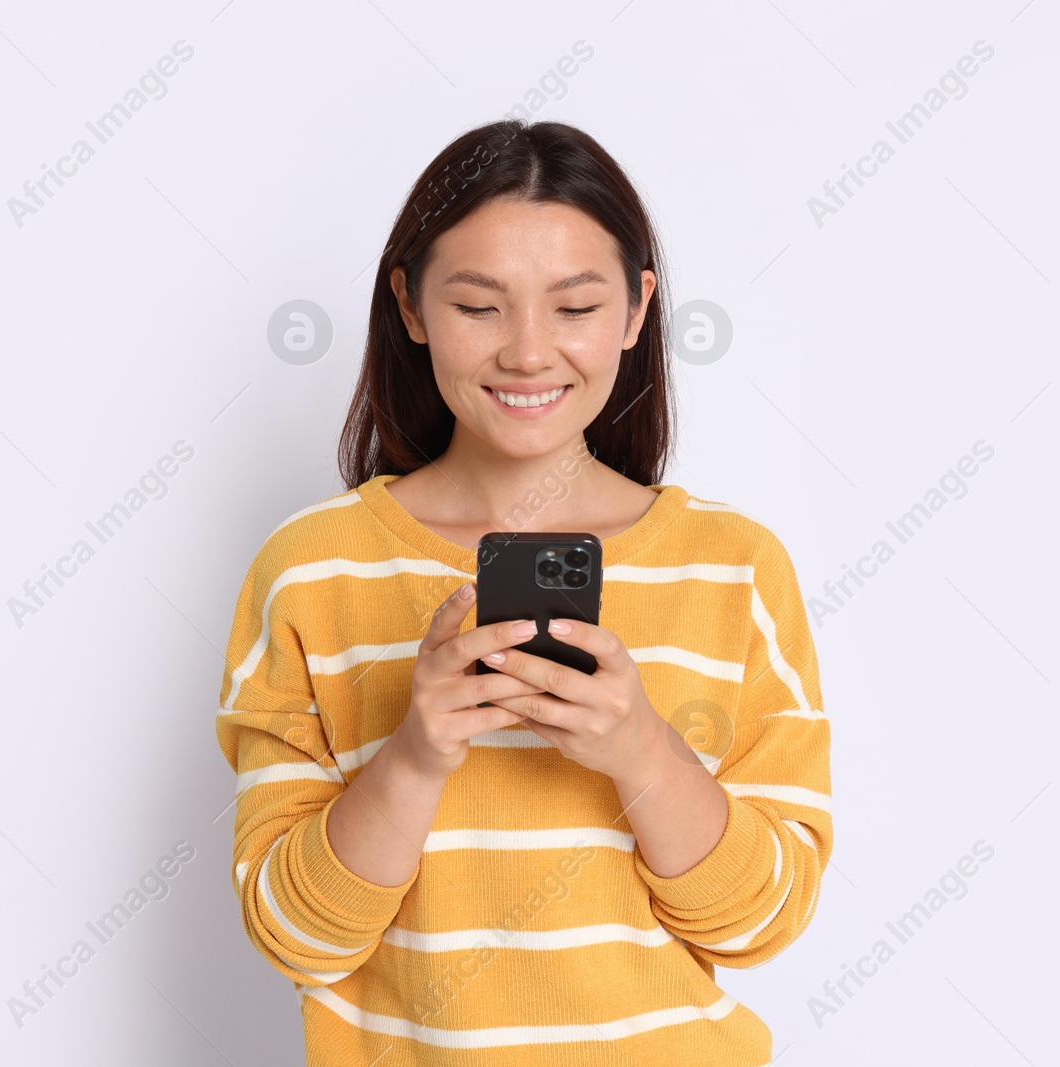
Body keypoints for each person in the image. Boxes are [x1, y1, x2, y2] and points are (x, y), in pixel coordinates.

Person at [215, 118, 831, 1065]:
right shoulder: (310, 570)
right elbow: (298, 938)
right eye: (480, 306)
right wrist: (416, 754)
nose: (530, 353)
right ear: (411, 306)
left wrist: (644, 754)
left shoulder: (736, 566)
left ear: (636, 312)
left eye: (576, 308)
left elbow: (763, 924)